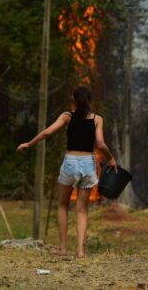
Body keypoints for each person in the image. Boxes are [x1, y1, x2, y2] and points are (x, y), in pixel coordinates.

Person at [17, 86, 117, 258]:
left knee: (63, 205)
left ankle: (63, 249)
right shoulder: (97, 119)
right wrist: (111, 159)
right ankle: (80, 251)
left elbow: (48, 132)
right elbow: (100, 143)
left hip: (70, 162)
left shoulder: (67, 117)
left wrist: (29, 143)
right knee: (82, 210)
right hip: (87, 163)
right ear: (89, 101)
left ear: (73, 101)